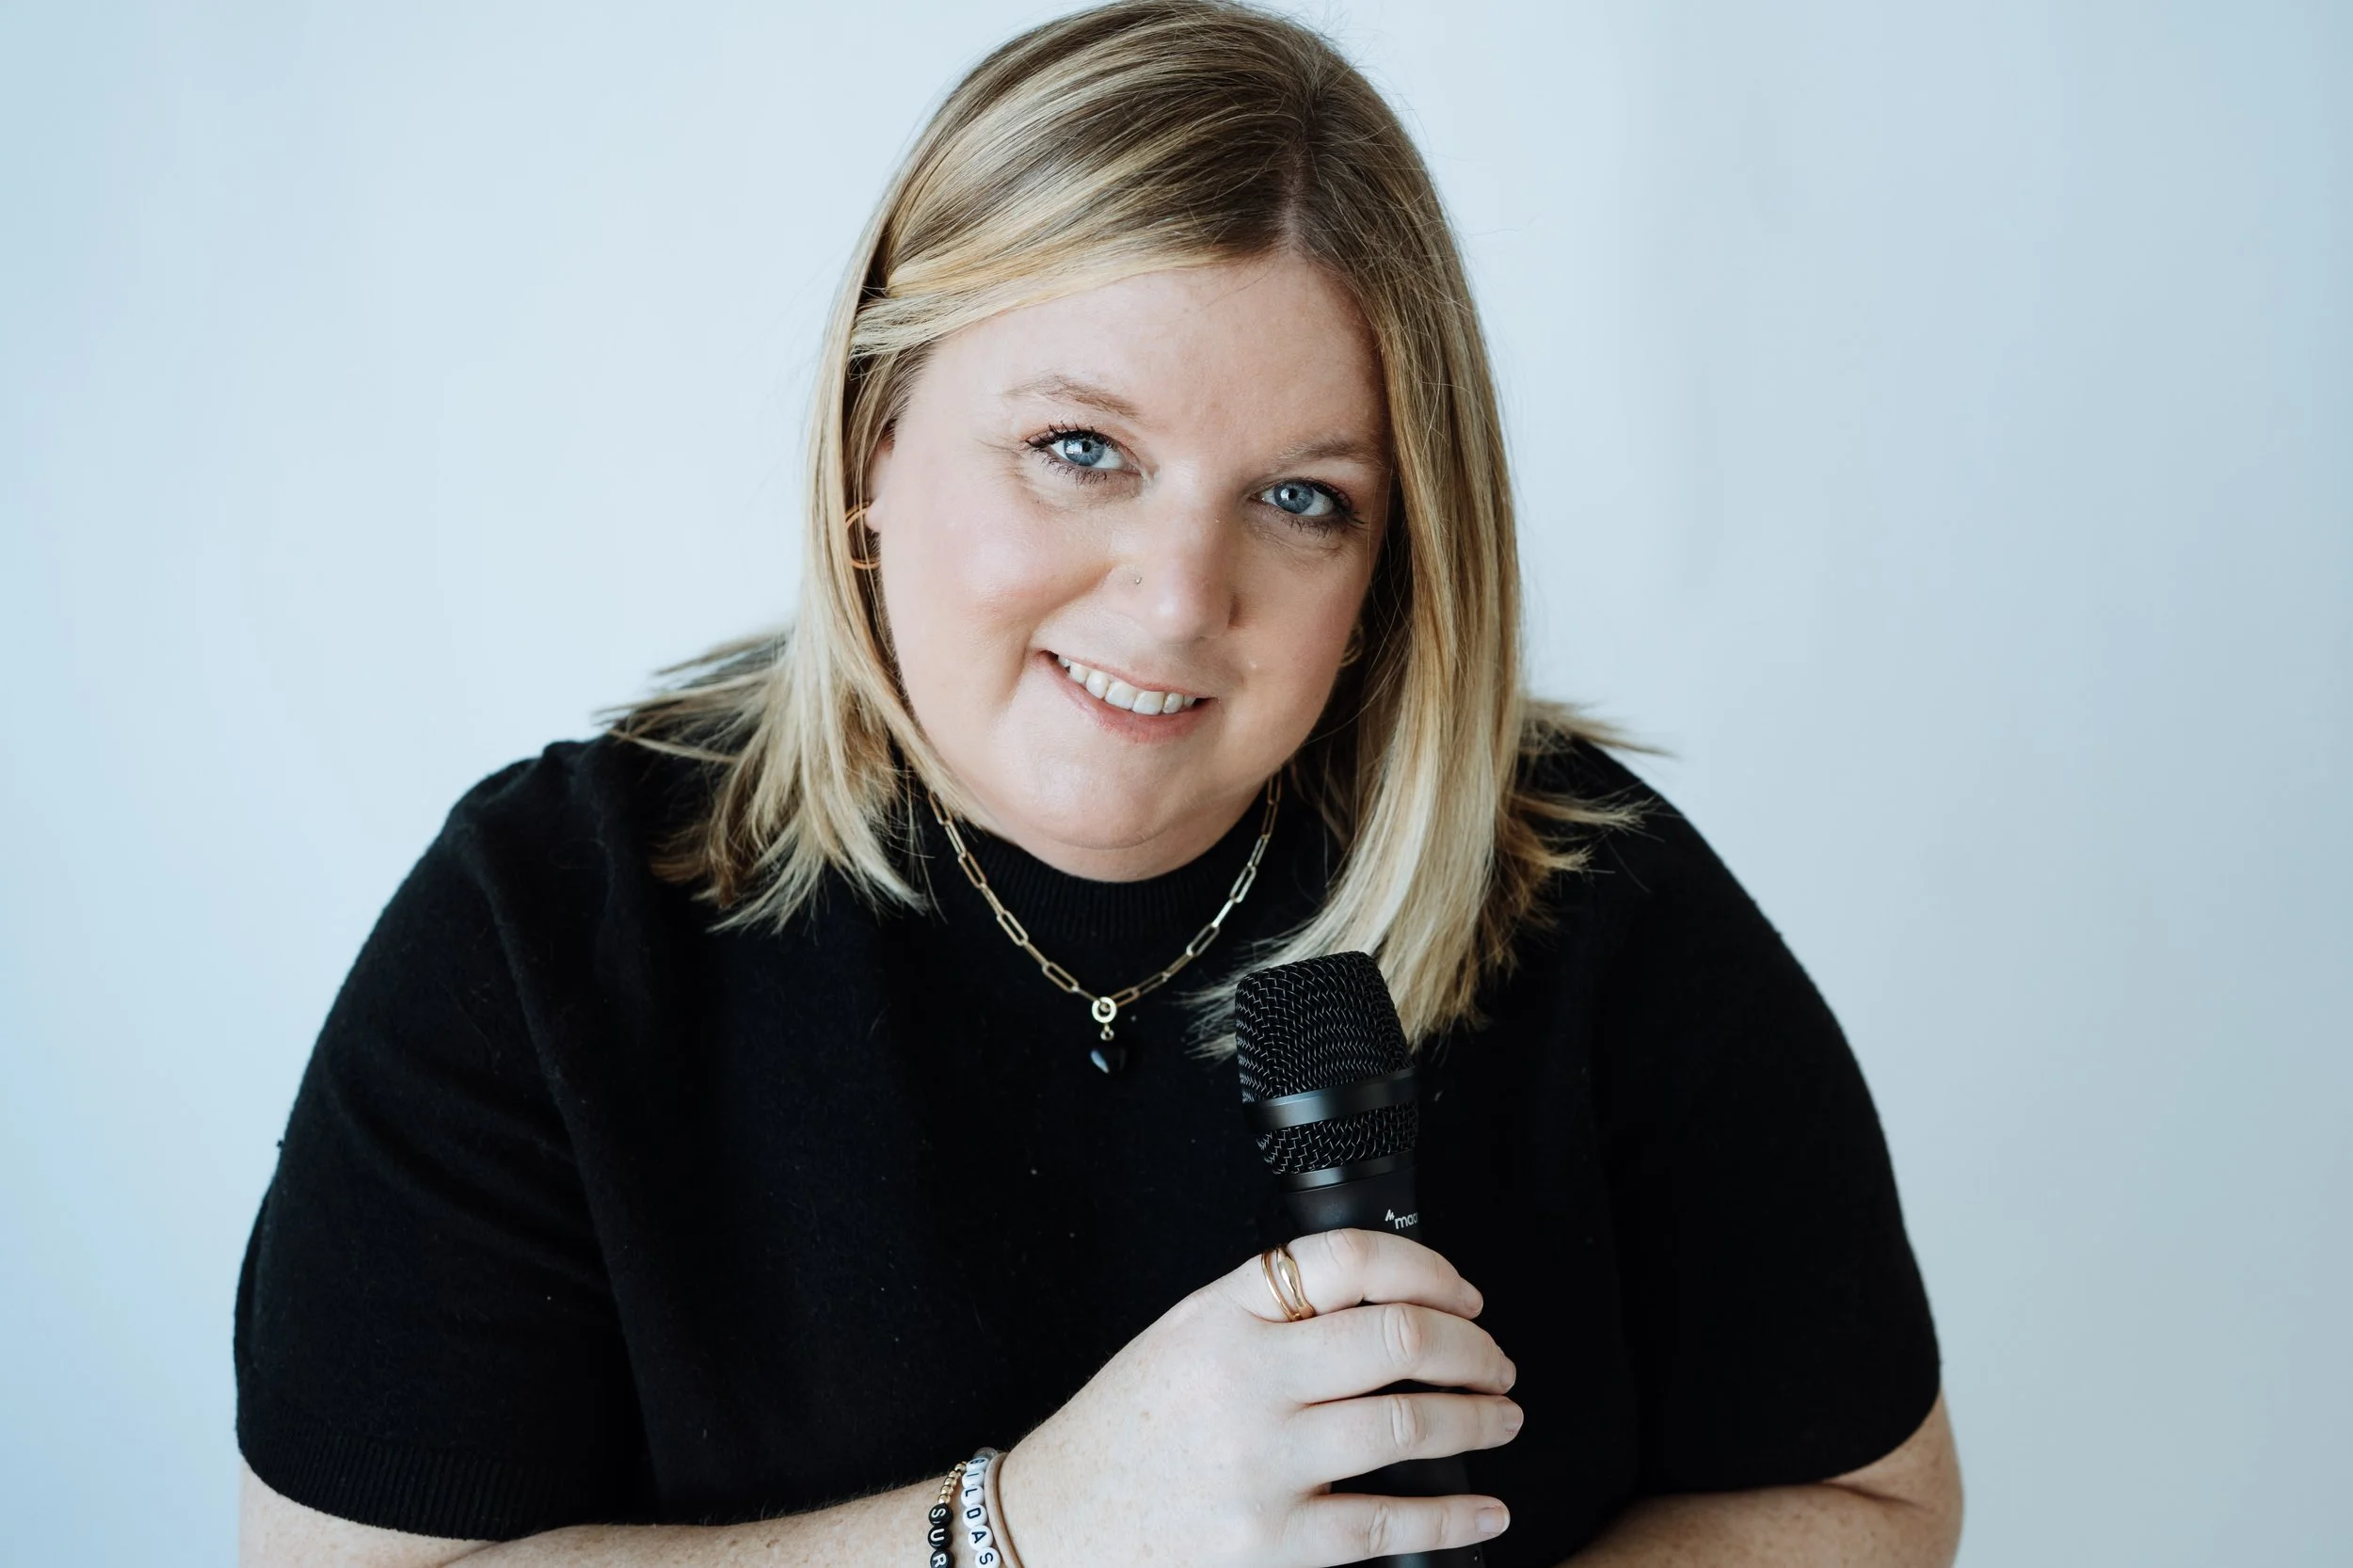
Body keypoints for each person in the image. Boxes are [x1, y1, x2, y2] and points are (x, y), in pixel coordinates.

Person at [233, 3, 1961, 1564]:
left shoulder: (1594, 897)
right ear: (870, 445)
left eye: (1301, 499)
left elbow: (1878, 1505)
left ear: (1394, 561)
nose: (1176, 597)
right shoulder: (548, 923)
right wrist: (1025, 1534)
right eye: (1082, 450)